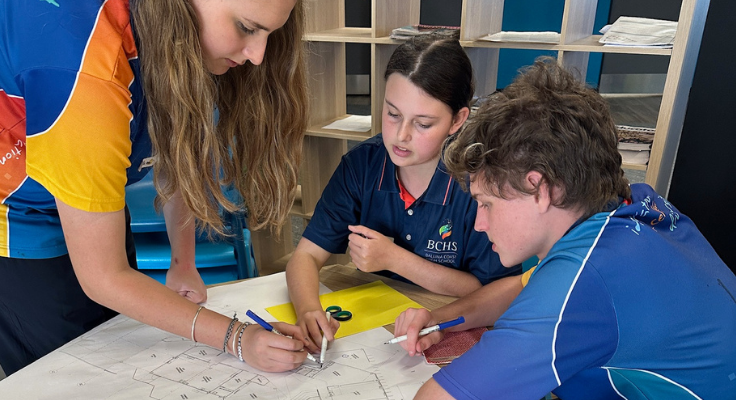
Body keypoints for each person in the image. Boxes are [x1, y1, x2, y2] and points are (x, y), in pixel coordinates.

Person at [393, 58, 736, 399]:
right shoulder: (632, 207)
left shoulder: (582, 282)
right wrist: (438, 320)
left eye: (486, 204)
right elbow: (521, 287)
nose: (480, 224)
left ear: (540, 189)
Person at [0, 0, 311, 375]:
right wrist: (237, 338)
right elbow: (104, 277)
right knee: (80, 374)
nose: (258, 56)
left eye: (270, 32)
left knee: (120, 344)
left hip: (84, 190)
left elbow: (175, 146)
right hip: (19, 219)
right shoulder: (86, 72)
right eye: (246, 27)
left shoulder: (173, 26)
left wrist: (183, 263)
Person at [285, 35, 518, 353]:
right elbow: (306, 256)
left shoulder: (477, 183)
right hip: (379, 331)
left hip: (454, 327)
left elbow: (492, 289)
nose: (401, 135)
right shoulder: (363, 165)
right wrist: (309, 311)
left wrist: (394, 259)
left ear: (457, 120)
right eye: (393, 114)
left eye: (423, 124)